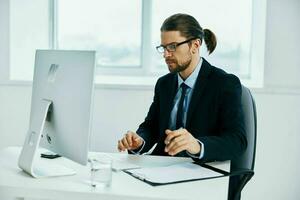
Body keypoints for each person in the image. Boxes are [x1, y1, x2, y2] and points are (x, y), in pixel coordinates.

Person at [117, 13, 247, 162]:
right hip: (164, 167)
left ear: (195, 45)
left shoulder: (224, 84)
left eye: (172, 46)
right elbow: (151, 127)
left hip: (202, 169)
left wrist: (197, 146)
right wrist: (139, 141)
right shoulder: (164, 84)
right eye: (163, 47)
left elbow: (237, 141)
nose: (166, 54)